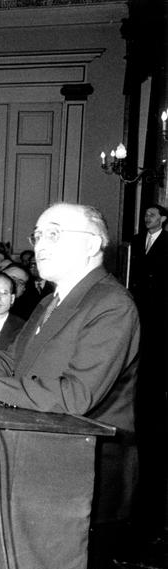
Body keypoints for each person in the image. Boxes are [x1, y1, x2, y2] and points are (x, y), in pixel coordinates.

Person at [0, 203, 140, 565]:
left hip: (86, 473)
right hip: (41, 458)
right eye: (38, 234)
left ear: (91, 245)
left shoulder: (112, 304)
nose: (41, 244)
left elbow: (75, 396)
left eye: (54, 233)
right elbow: (11, 361)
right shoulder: (49, 302)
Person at [128, 204, 168, 541]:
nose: (147, 219)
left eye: (153, 215)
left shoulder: (166, 243)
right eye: (147, 215)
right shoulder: (137, 242)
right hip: (142, 309)